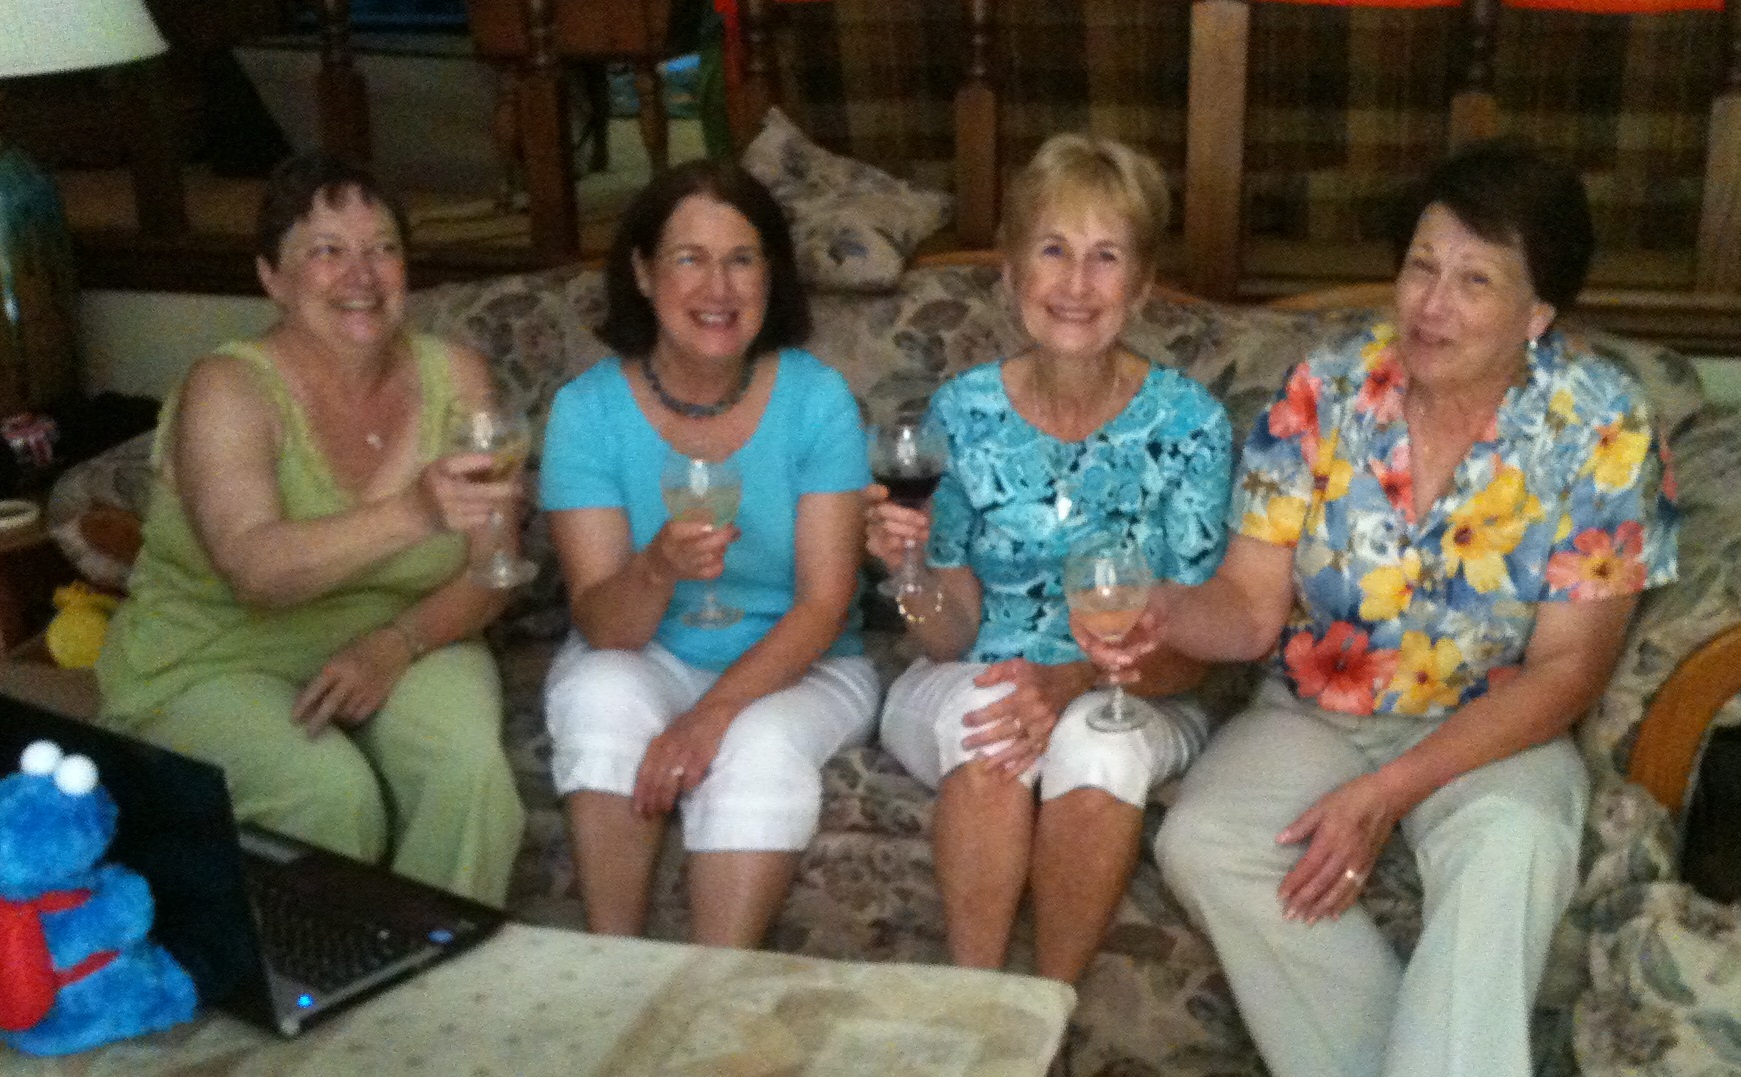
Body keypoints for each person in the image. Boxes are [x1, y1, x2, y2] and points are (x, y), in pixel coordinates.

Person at [1087, 140, 1678, 1077]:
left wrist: (1385, 794)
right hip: (1316, 711)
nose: (1431, 304)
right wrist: (1160, 609)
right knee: (1206, 838)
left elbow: (1570, 667)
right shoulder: (1324, 390)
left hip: (1495, 727)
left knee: (1513, 841)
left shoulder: (1599, 423)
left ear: (1537, 313)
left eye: (1473, 281)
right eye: (1420, 267)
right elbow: (1246, 609)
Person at [95, 152, 527, 908]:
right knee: (326, 791)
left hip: (405, 635)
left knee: (469, 771)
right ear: (272, 277)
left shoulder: (454, 378)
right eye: (326, 251)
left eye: (381, 249)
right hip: (215, 657)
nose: (360, 274)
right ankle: (323, 995)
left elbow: (492, 568)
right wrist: (413, 514)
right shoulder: (228, 387)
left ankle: (436, 989)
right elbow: (253, 568)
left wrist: (397, 644)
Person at [869, 133, 1234, 983]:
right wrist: (910, 573)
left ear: (1141, 284)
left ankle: (1045, 1021)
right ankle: (979, 1021)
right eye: (1052, 251)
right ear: (1009, 272)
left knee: (1095, 750)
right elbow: (944, 635)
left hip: (1136, 688)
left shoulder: (1188, 427)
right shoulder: (960, 411)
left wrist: (1067, 681)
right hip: (977, 666)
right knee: (989, 728)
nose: (1075, 284)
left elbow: (1188, 651)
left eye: (1105, 257)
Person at [540, 159, 878, 948]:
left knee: (755, 746)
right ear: (643, 273)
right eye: (689, 258)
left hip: (803, 660)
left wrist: (711, 714)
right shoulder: (586, 411)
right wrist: (655, 569)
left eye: (741, 259)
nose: (717, 288)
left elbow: (825, 603)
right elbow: (604, 623)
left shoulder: (815, 397)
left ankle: (709, 999)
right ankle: (613, 971)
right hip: (650, 644)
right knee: (600, 694)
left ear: (771, 275)